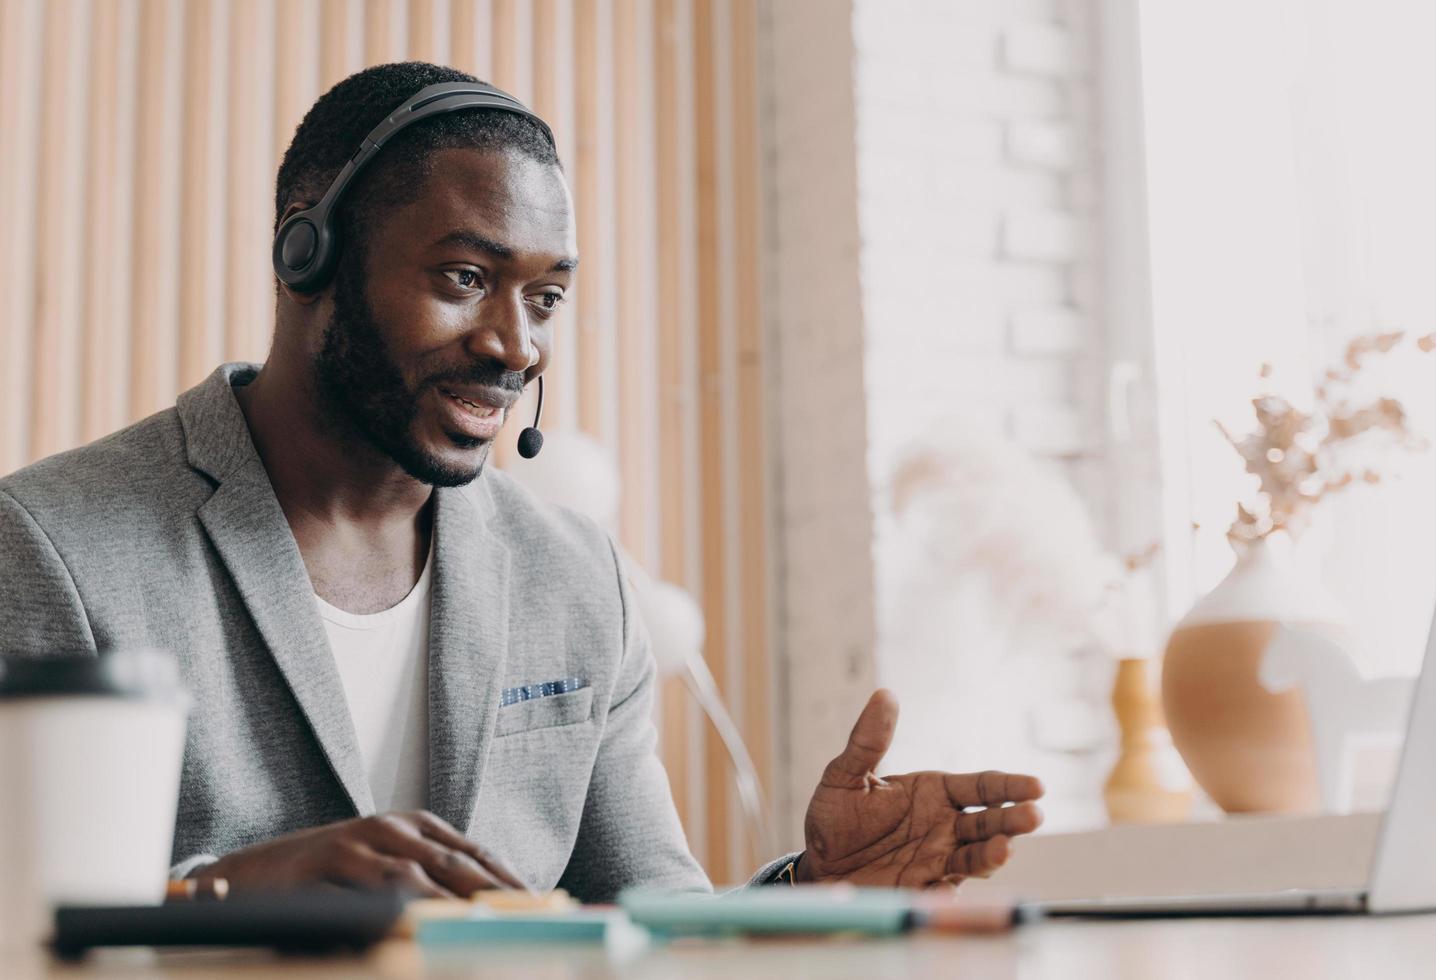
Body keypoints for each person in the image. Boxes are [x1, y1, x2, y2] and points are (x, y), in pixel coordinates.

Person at [0, 62, 1042, 901]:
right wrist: (230, 891)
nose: (516, 344)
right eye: (466, 278)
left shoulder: (578, 576)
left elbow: (647, 917)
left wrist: (813, 890)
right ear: (306, 254)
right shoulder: (57, 544)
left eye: (544, 297)